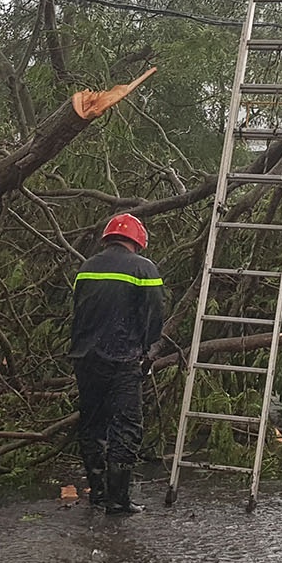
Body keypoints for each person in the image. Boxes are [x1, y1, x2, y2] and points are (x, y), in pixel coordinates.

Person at [70, 213, 164, 514]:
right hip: (124, 359)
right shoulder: (143, 268)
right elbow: (154, 315)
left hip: (85, 358)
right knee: (126, 427)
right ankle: (118, 500)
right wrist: (148, 350)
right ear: (138, 241)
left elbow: (79, 309)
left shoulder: (86, 268)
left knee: (92, 425)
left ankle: (97, 494)